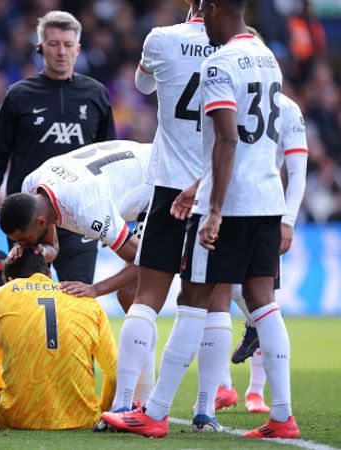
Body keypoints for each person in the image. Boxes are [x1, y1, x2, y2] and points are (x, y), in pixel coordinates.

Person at [102, 0, 300, 439]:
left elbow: (226, 139)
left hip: (217, 195)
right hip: (266, 196)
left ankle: (149, 412)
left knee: (185, 298)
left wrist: (209, 204)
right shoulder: (269, 58)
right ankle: (271, 415)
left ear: (210, 9)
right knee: (260, 304)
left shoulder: (208, 57)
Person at [98, 0, 231, 431]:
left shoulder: (161, 38)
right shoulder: (237, 48)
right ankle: (205, 409)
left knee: (148, 298)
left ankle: (122, 406)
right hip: (220, 188)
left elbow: (142, 85)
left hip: (170, 184)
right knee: (213, 303)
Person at [0, 10, 116, 286]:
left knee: (79, 301)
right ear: (40, 48)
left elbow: (108, 164)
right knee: (27, 304)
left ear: (78, 48)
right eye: (53, 44)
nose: (61, 51)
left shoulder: (96, 95)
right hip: (28, 218)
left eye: (68, 44)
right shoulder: (18, 96)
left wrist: (111, 221)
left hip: (80, 217)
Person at [0, 247, 117, 429]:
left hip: (16, 416)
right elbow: (115, 375)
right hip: (83, 418)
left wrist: (16, 396)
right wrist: (101, 412)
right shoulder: (87, 299)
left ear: (9, 280)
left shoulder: (0, 295)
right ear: (48, 273)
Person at [221, 90, 309, 413]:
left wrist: (288, 220)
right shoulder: (228, 96)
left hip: (265, 213)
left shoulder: (288, 109)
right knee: (221, 293)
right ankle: (222, 385)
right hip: (225, 206)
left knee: (261, 299)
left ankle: (255, 392)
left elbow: (298, 172)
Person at [0, 140, 154, 311]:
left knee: (130, 292)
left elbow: (143, 260)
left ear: (41, 222)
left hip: (160, 181)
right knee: (128, 293)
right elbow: (52, 247)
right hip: (134, 170)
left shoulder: (88, 211)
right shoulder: (31, 187)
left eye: (23, 239)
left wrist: (95, 289)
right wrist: (39, 252)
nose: (21, 245)